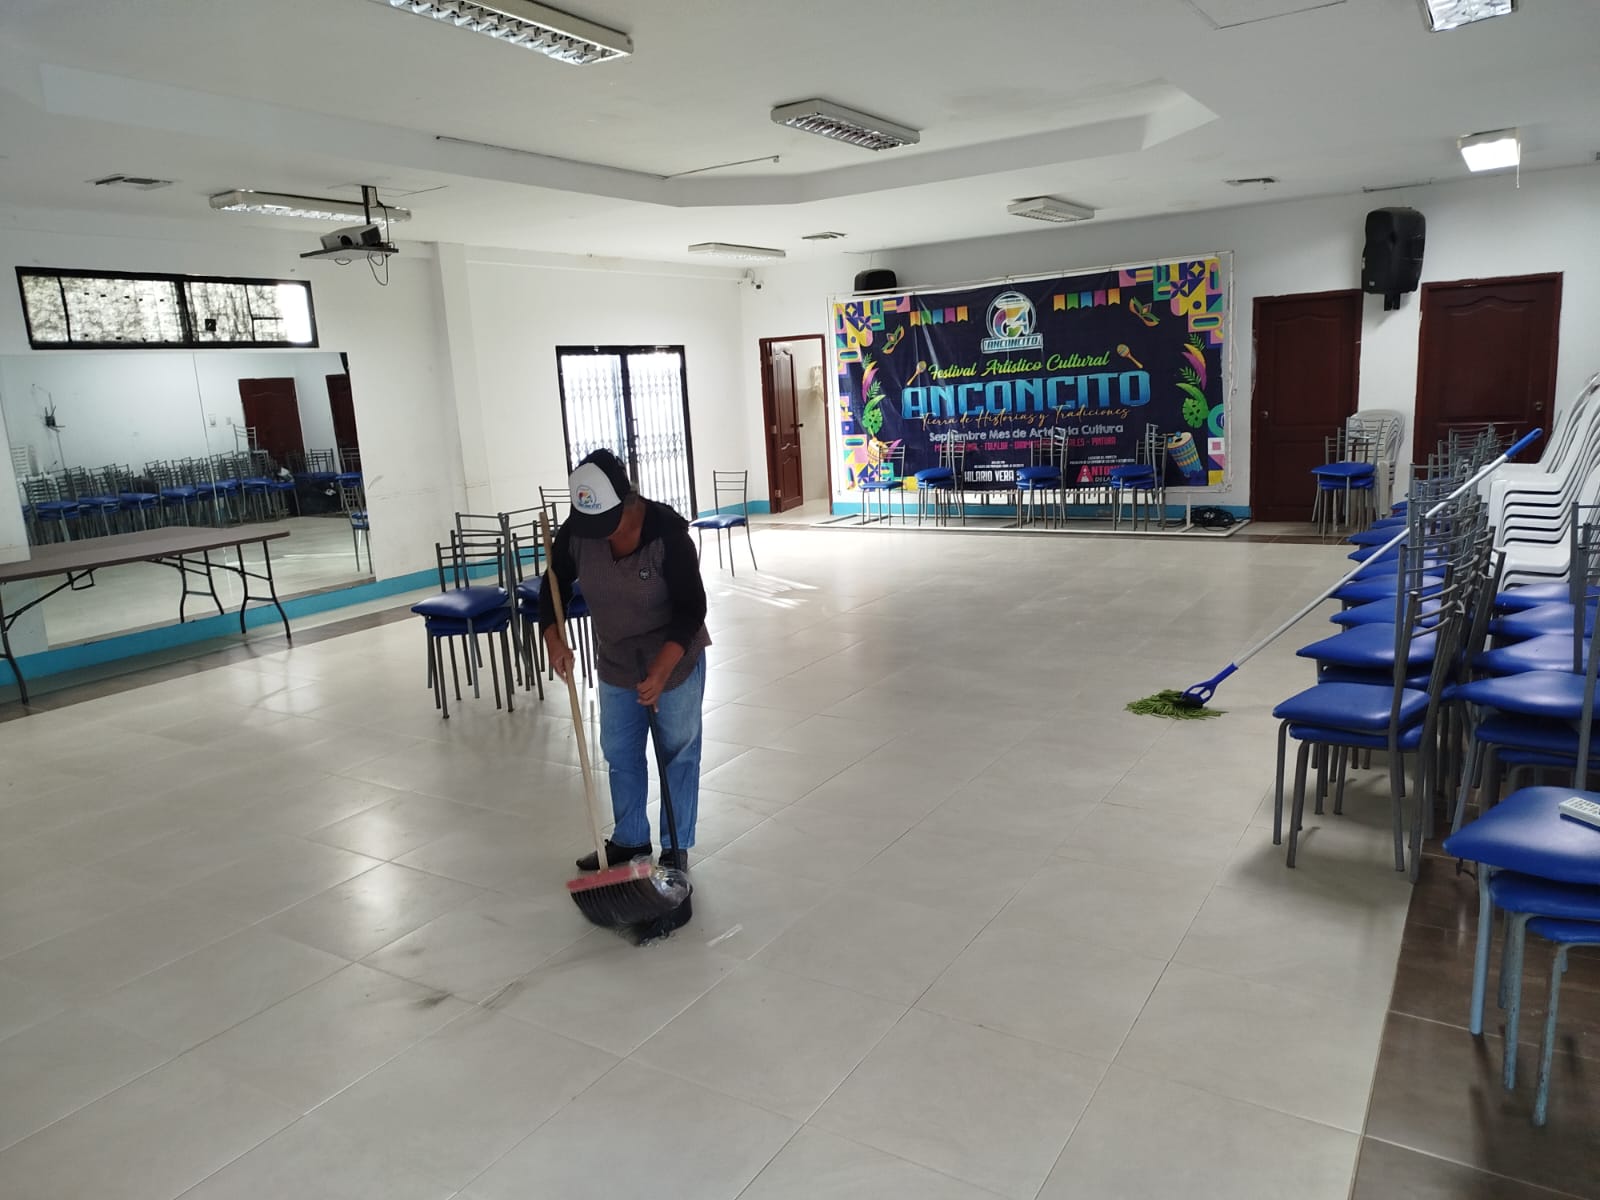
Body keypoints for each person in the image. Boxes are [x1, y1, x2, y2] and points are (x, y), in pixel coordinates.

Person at [539, 449, 710, 875]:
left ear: (629, 501)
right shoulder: (580, 529)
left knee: (678, 751)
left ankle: (675, 847)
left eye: (608, 522)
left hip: (674, 660)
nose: (599, 535)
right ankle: (630, 838)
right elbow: (553, 584)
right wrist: (554, 639)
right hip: (617, 659)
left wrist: (662, 668)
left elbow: (692, 608)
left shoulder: (668, 533)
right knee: (619, 750)